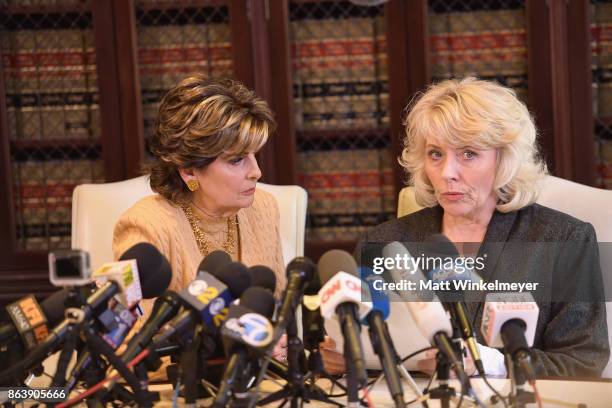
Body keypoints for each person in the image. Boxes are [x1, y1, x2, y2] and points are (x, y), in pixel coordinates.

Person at [322, 77, 609, 378]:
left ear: (504, 159)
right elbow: (362, 346)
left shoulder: (563, 239)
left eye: (468, 154)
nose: (447, 172)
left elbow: (583, 360)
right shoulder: (383, 242)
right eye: (436, 154)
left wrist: (493, 364)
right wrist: (346, 359)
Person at [113, 75, 287, 360]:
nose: (257, 172)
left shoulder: (264, 208)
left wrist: (277, 341)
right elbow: (129, 350)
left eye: (255, 155)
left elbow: (277, 314)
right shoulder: (145, 225)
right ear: (189, 170)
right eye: (237, 160)